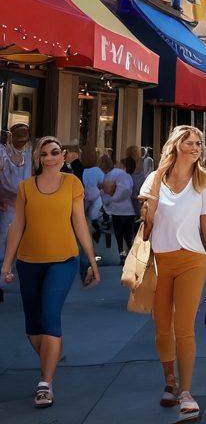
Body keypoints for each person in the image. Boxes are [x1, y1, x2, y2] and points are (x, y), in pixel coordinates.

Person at [1, 136, 100, 409]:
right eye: (44, 153)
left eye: (55, 152)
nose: (51, 157)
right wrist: (6, 264)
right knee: (33, 327)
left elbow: (80, 223)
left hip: (63, 260)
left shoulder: (72, 183)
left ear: (63, 156)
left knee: (49, 315)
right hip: (28, 262)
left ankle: (45, 383)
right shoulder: (25, 187)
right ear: (38, 159)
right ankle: (52, 354)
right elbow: (16, 227)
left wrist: (91, 260)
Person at [140, 126, 206, 422]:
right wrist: (148, 207)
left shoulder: (204, 181)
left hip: (192, 260)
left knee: (184, 325)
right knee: (162, 325)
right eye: (190, 143)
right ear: (176, 146)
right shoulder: (155, 179)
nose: (197, 147)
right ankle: (169, 382)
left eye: (199, 143)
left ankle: (187, 393)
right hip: (159, 260)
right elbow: (146, 225)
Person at [0, 122, 33, 255]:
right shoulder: (3, 152)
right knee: (4, 237)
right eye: (19, 134)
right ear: (11, 136)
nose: (22, 137)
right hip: (7, 204)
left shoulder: (30, 153)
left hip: (26, 204)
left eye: (25, 134)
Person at [101, 152, 138, 263]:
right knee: (125, 237)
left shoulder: (116, 174)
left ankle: (124, 256)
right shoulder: (122, 175)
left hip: (121, 212)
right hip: (126, 211)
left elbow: (123, 190)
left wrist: (112, 198)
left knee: (121, 237)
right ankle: (126, 256)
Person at [80, 147, 106, 247]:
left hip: (84, 198)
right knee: (92, 217)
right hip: (95, 198)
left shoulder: (81, 170)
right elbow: (103, 183)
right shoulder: (97, 170)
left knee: (84, 218)